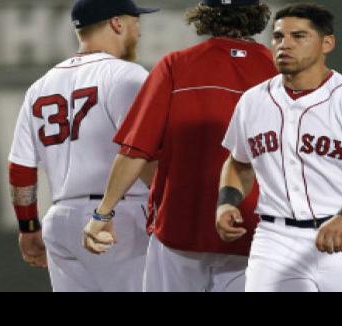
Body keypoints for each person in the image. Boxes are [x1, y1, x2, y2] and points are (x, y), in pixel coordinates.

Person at [82, 0, 277, 292]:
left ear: (204, 16)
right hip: (257, 229)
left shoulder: (176, 65)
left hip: (180, 227)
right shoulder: (282, 72)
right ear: (259, 15)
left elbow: (136, 149)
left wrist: (103, 214)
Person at [216, 3, 342, 292]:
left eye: (299, 36)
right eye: (279, 36)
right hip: (276, 240)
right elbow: (239, 162)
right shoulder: (253, 101)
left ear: (327, 43)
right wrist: (226, 202)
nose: (285, 44)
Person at [8, 0, 158, 291]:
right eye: (134, 20)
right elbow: (145, 152)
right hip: (119, 219)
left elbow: (21, 167)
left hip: (61, 220)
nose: (138, 29)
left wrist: (28, 227)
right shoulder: (128, 76)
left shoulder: (41, 86)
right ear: (117, 23)